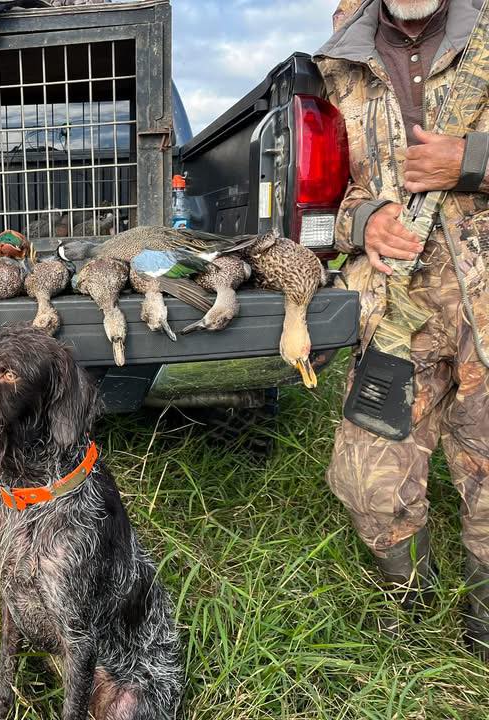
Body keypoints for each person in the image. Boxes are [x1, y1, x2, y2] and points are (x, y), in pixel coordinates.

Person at [315, 0, 489, 659]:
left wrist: (469, 159)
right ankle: (414, 611)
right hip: (397, 312)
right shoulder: (342, 64)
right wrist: (365, 224)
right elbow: (333, 197)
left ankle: (483, 629)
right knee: (368, 483)